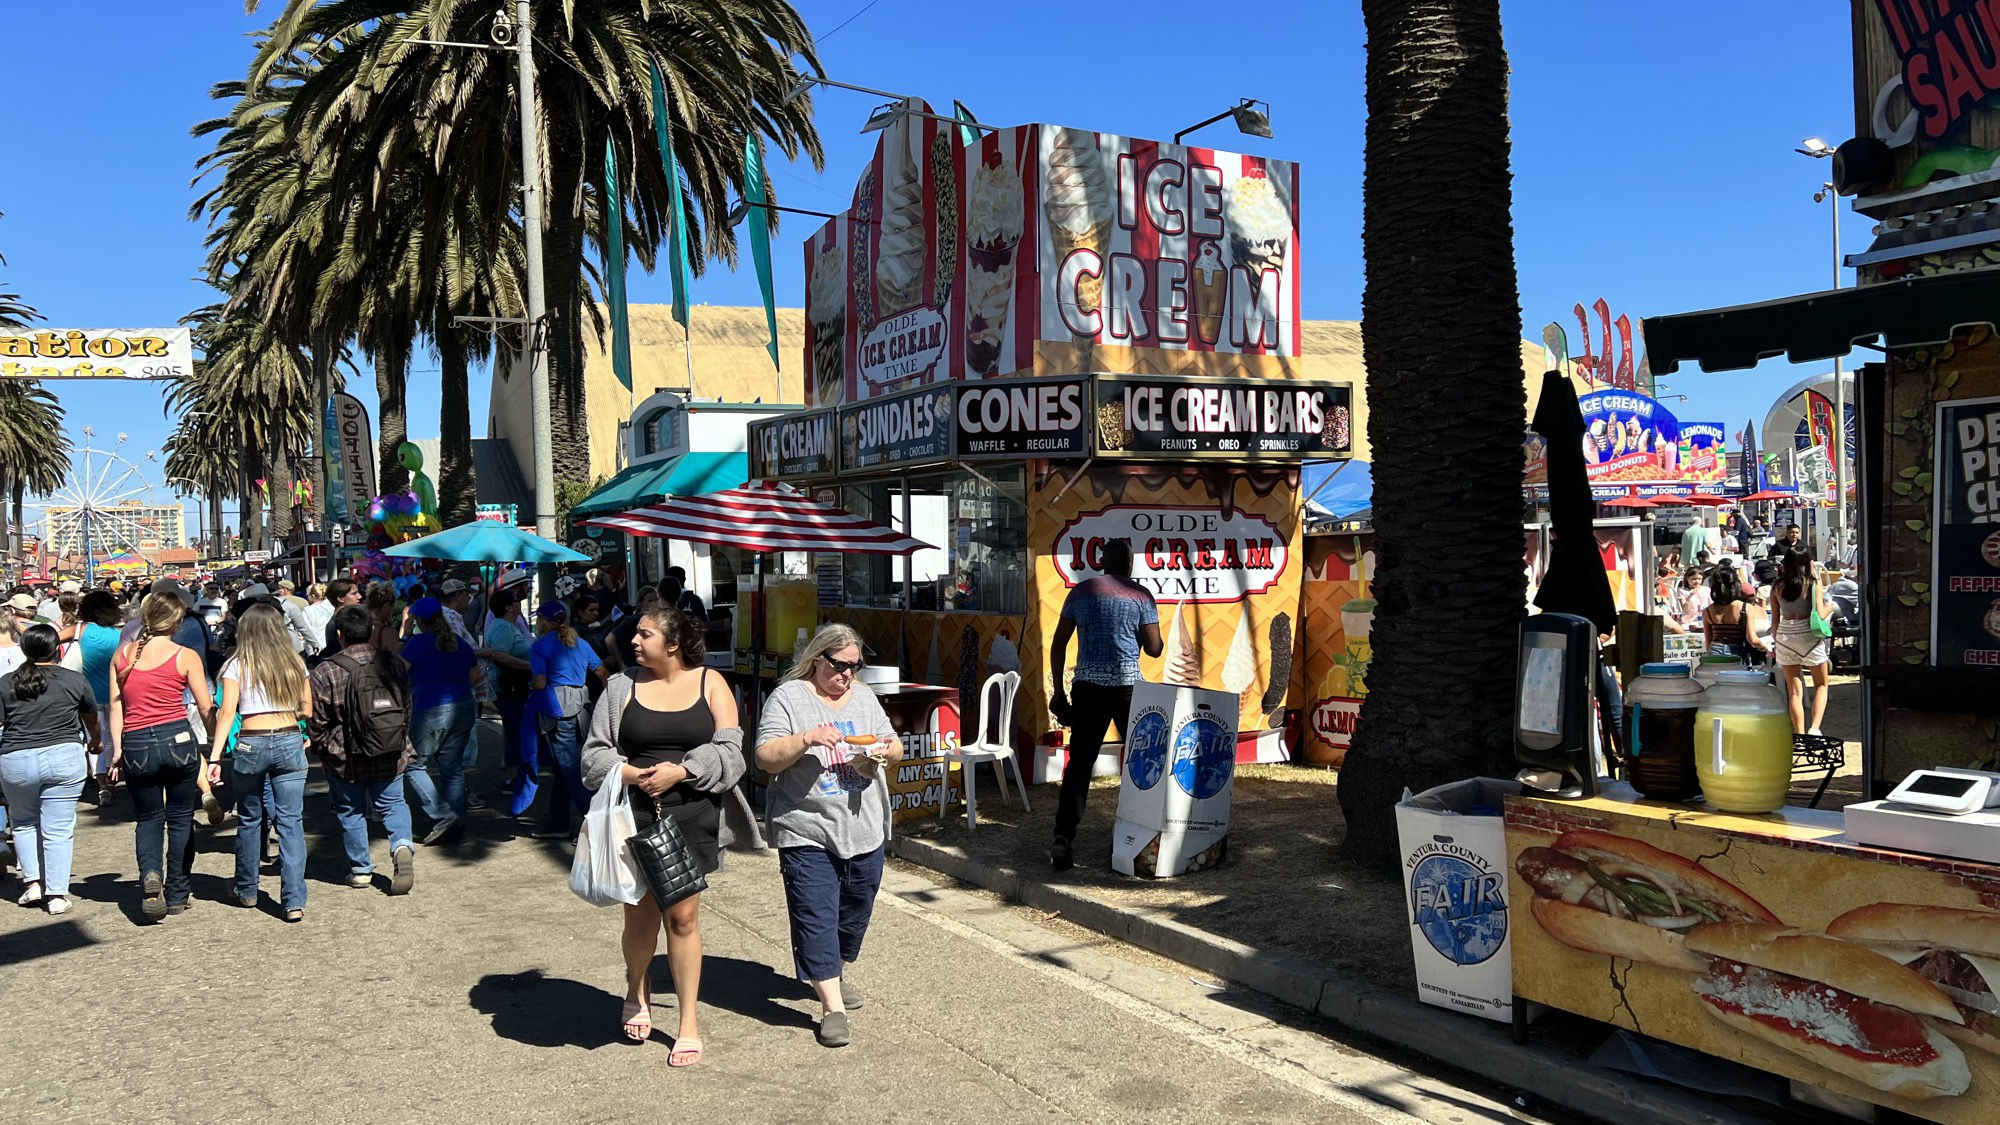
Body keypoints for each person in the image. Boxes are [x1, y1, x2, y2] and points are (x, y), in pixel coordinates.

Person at [580, 606, 743, 1059]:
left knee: (683, 920)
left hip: (692, 816)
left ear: (673, 643)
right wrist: (634, 774)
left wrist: (683, 771)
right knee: (640, 917)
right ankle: (637, 988)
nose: (634, 640)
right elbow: (593, 757)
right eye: (636, 633)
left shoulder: (712, 683)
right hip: (632, 817)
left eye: (644, 633)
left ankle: (688, 1020)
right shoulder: (619, 687)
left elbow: (732, 752)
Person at [753, 624, 903, 1049]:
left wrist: (883, 752)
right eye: (840, 666)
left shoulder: (864, 696)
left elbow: (893, 745)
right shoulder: (788, 698)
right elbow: (764, 758)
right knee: (815, 911)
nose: (848, 676)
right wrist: (807, 738)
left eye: (856, 666)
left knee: (856, 909)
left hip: (864, 826)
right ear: (818, 659)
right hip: (806, 826)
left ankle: (831, 970)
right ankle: (831, 1006)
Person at [1046, 539, 1162, 872]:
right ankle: (1138, 838)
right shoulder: (1141, 595)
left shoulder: (1081, 593)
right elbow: (1154, 649)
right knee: (1140, 763)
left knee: (1080, 765)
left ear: (1101, 562)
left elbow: (1058, 645)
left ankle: (1063, 838)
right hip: (1128, 690)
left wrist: (1059, 692)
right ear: (1129, 564)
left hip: (1087, 689)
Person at [107, 592, 217, 921]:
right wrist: (216, 743)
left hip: (137, 744)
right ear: (178, 622)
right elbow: (204, 706)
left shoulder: (123, 656)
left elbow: (115, 705)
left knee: (149, 818)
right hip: (178, 739)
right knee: (181, 818)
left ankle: (150, 874)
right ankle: (178, 893)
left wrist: (117, 749)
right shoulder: (185, 656)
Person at [212, 602, 313, 922]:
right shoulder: (294, 663)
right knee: (291, 823)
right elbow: (307, 710)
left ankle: (247, 888)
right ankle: (294, 900)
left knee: (250, 818)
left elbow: (227, 713)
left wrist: (215, 757)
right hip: (288, 739)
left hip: (250, 743)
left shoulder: (236, 665)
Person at [309, 604, 417, 895]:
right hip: (391, 747)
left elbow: (317, 719)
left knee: (351, 810)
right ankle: (402, 845)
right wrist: (401, 736)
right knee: (393, 804)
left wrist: (320, 746)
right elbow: (407, 705)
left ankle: (361, 871)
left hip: (346, 754)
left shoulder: (325, 671)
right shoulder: (393, 663)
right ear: (371, 631)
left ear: (340, 634)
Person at [0, 624, 101, 915]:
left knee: (22, 822)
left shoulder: (7, 682)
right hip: (63, 757)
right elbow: (91, 717)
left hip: (16, 759)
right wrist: (96, 742)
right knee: (58, 829)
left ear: (23, 650)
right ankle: (56, 894)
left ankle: (33, 884)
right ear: (58, 649)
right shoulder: (73, 680)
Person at [401, 597, 479, 846]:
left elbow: (399, 672)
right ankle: (457, 824)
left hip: (430, 709)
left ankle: (442, 814)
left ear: (418, 621)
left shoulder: (416, 644)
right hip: (464, 706)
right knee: (452, 767)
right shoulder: (460, 643)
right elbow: (475, 675)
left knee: (413, 764)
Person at [528, 602, 606, 839]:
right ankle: (558, 822)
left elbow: (540, 682)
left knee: (570, 769)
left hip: (556, 710)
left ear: (544, 622)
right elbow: (602, 672)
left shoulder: (539, 646)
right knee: (565, 768)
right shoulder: (580, 643)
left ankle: (595, 825)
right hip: (581, 709)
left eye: (539, 619)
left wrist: (530, 686)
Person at [479, 586, 536, 811]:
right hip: (509, 685)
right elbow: (500, 656)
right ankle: (512, 778)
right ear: (509, 606)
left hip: (516, 685)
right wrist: (529, 665)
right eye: (516, 599)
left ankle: (516, 774)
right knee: (515, 730)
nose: (520, 601)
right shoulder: (502, 626)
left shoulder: (508, 626)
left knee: (516, 729)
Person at [1771, 548, 1837, 736]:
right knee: (1821, 684)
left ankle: (1799, 733)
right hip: (1808, 635)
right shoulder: (1812, 583)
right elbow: (1820, 614)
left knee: (1794, 691)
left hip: (1785, 636)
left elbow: (1775, 620)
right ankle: (1814, 728)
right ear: (1809, 563)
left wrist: (1776, 642)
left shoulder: (1777, 586)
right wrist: (1830, 606)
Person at [77, 590, 125, 796]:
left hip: (89, 696)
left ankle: (102, 785)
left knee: (95, 738)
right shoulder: (122, 634)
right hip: (118, 696)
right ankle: (114, 777)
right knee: (117, 738)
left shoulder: (81, 630)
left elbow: (48, 638)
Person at [1701, 565, 1769, 662]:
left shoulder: (1707, 611)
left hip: (1714, 650)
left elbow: (1708, 643)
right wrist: (1765, 647)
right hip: (1736, 652)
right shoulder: (1745, 608)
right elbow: (1752, 639)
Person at [319, 578, 363, 655]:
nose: (359, 596)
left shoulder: (354, 618)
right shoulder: (335, 624)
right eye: (354, 593)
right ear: (340, 598)